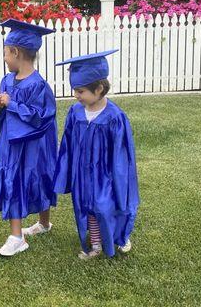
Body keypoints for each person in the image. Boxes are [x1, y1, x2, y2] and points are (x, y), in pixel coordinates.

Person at [53, 50, 139, 259]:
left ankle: (120, 235)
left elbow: (121, 153)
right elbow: (68, 145)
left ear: (99, 88)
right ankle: (96, 245)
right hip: (83, 174)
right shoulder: (75, 112)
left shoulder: (115, 117)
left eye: (81, 91)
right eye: (75, 90)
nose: (76, 95)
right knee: (87, 207)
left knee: (105, 206)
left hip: (106, 175)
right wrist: (66, 172)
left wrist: (118, 178)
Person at [0, 19, 58, 256]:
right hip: (10, 144)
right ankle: (16, 234)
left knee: (39, 178)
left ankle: (42, 224)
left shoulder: (39, 85)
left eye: (5, 54)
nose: (4, 59)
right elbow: (6, 110)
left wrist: (13, 104)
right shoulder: (7, 80)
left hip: (33, 146)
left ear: (16, 52)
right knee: (14, 180)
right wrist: (0, 106)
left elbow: (43, 117)